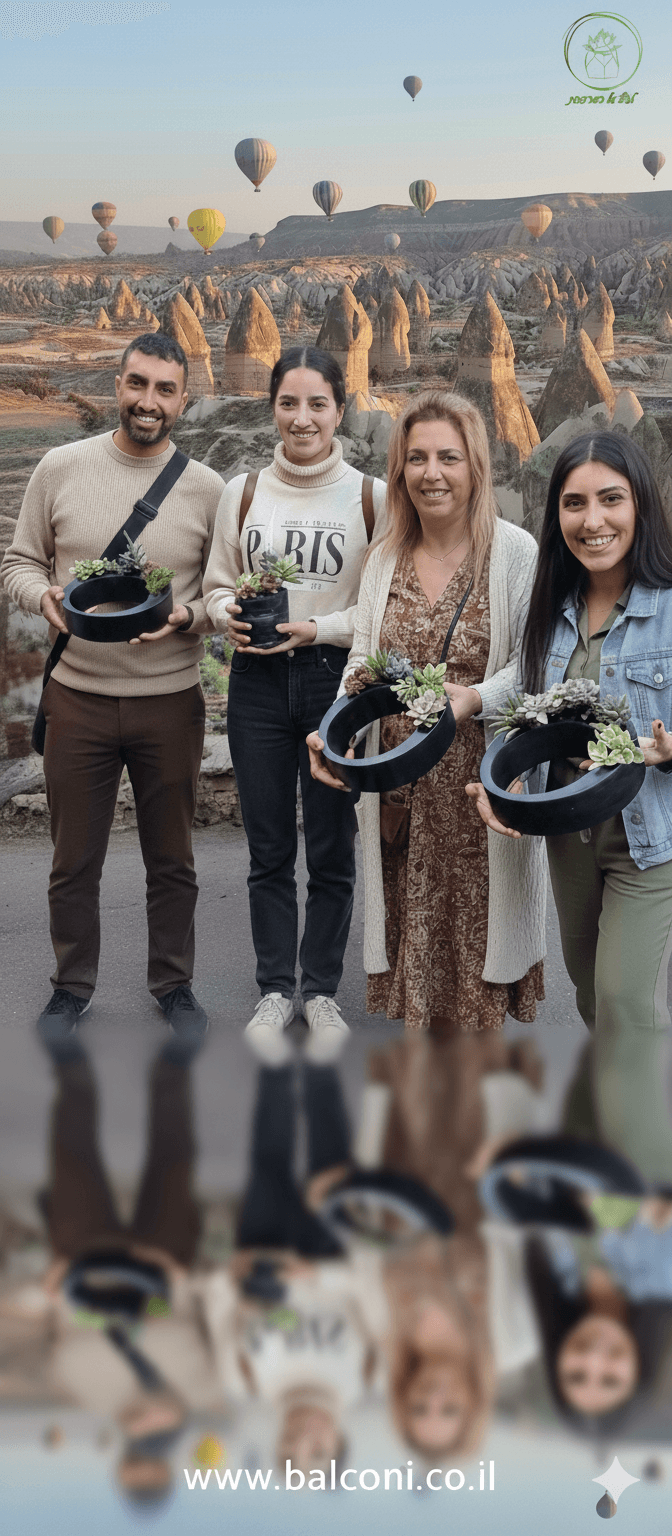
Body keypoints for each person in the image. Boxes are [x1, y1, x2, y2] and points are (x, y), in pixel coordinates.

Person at [1, 332, 224, 1035]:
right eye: (137, 384)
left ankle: (174, 984)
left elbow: (222, 596)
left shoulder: (207, 488)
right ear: (117, 385)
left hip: (172, 702)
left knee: (172, 860)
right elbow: (18, 563)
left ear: (182, 400)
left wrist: (186, 616)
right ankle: (71, 986)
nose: (148, 401)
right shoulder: (60, 468)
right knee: (73, 861)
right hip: (77, 698)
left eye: (164, 390)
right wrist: (43, 598)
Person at [308, 391, 546, 1032]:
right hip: (400, 792)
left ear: (476, 466)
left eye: (448, 457)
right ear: (399, 469)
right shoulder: (385, 557)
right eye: (416, 458)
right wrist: (336, 732)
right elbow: (363, 658)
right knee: (419, 979)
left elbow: (531, 665)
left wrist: (474, 699)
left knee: (478, 973)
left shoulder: (515, 553)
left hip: (480, 791)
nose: (431, 473)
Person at [469, 433, 672, 1182]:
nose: (593, 520)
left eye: (610, 499)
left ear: (640, 505)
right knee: (592, 999)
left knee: (626, 1004)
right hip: (570, 838)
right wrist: (507, 785)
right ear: (556, 515)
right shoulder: (552, 611)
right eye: (574, 503)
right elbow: (530, 715)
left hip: (651, 840)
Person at [203, 345, 387, 1061]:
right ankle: (276, 988)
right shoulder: (243, 491)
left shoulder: (371, 497)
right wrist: (226, 612)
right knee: (270, 847)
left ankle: (321, 990)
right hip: (254, 682)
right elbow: (218, 583)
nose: (302, 418)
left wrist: (317, 628)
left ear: (340, 409)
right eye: (289, 403)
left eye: (317, 404)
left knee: (333, 845)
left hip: (335, 682)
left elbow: (378, 609)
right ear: (272, 407)